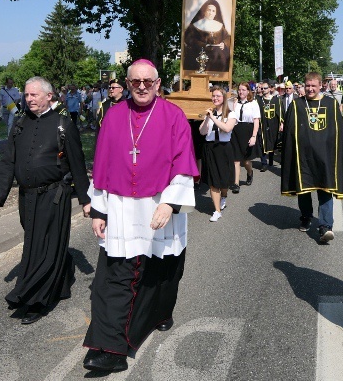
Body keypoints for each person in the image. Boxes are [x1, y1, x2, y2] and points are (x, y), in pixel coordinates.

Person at [83, 59, 198, 372]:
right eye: (136, 82)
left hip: (159, 204)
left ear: (158, 84)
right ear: (128, 83)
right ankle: (110, 348)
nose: (142, 86)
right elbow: (102, 164)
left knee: (165, 267)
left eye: (148, 81)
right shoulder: (114, 115)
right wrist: (98, 210)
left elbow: (184, 164)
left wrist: (170, 203)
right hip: (121, 207)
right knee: (116, 275)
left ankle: (161, 312)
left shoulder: (174, 116)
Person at [0, 76, 91, 325]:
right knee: (37, 241)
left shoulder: (63, 124)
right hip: (27, 196)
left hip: (54, 195)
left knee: (42, 247)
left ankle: (36, 299)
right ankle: (61, 277)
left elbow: (77, 164)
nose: (29, 99)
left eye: (34, 95)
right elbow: (8, 162)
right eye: (27, 95)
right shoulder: (20, 123)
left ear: (49, 96)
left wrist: (86, 200)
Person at [280, 72, 343, 243]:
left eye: (313, 86)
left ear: (320, 86)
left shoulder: (331, 104)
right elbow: (289, 132)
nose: (310, 89)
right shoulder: (297, 105)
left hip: (325, 156)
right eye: (307, 85)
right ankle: (306, 216)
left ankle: (325, 226)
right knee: (304, 189)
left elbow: (337, 132)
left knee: (325, 189)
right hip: (303, 157)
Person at [200, 86, 237, 221]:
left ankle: (224, 195)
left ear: (223, 99)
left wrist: (214, 118)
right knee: (213, 181)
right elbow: (202, 132)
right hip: (210, 148)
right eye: (213, 96)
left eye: (218, 96)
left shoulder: (231, 114)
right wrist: (207, 119)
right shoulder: (210, 114)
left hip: (223, 149)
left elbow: (227, 128)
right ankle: (216, 211)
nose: (215, 98)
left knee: (224, 181)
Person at [183, 0, 231, 73]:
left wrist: (224, 43)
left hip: (217, 59)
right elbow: (188, 39)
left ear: (216, 13)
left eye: (213, 11)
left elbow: (228, 38)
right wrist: (203, 45)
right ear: (204, 11)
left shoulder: (220, 26)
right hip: (199, 56)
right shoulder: (196, 25)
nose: (210, 13)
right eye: (209, 10)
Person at [230, 82, 260, 194]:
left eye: (243, 90)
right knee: (236, 159)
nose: (240, 92)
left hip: (248, 130)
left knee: (246, 161)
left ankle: (250, 172)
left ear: (248, 91)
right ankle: (236, 184)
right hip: (236, 131)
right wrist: (233, 104)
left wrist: (254, 136)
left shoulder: (253, 103)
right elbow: (230, 115)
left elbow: (256, 120)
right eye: (239, 90)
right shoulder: (235, 102)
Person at [256, 80, 282, 172]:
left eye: (265, 88)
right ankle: (264, 163)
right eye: (262, 88)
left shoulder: (276, 100)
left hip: (273, 124)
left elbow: (280, 112)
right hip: (262, 124)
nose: (263, 90)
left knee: (272, 142)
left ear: (270, 88)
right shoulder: (258, 100)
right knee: (262, 143)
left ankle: (271, 160)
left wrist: (281, 123)